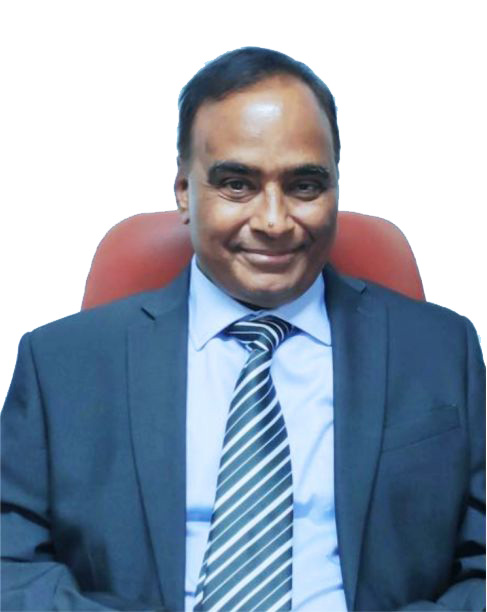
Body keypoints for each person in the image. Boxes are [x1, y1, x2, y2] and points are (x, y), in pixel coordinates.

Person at [1, 46, 485, 612]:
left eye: (305, 185)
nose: (274, 221)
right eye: (237, 184)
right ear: (185, 191)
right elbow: (11, 563)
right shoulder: (61, 365)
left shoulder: (442, 351)